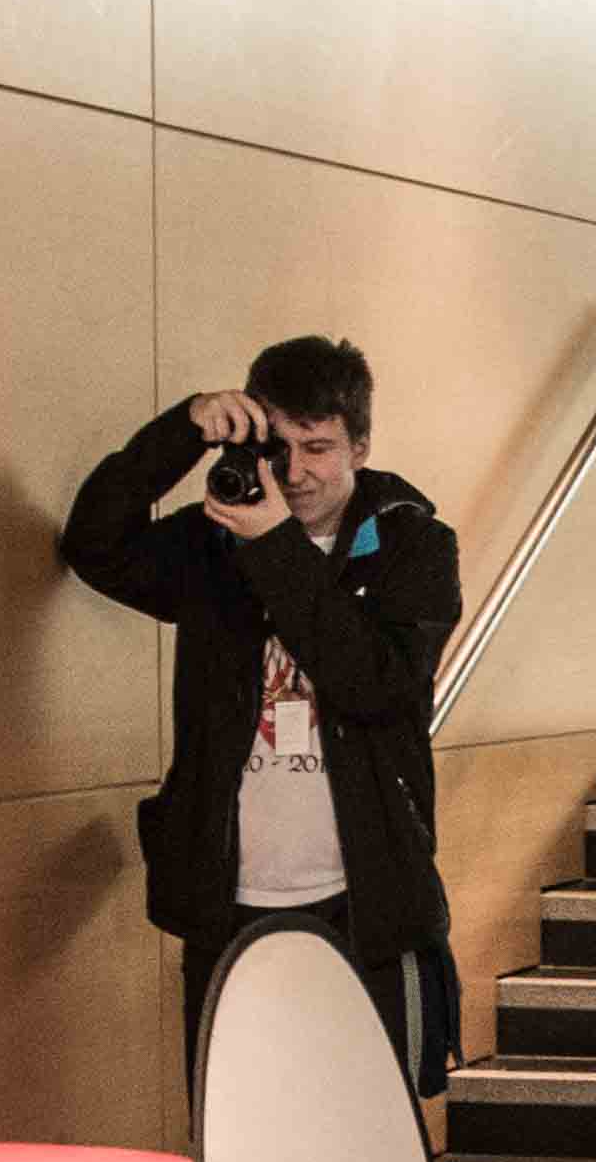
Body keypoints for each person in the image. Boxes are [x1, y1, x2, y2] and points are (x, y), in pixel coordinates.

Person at [61, 334, 460, 1101]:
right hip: (228, 903)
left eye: (320, 447)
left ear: (361, 447)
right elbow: (93, 545)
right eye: (281, 446)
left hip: (364, 902)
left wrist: (274, 544)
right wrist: (182, 430)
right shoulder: (214, 542)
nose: (298, 470)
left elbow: (374, 684)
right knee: (238, 1140)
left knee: (370, 1135)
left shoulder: (413, 545)